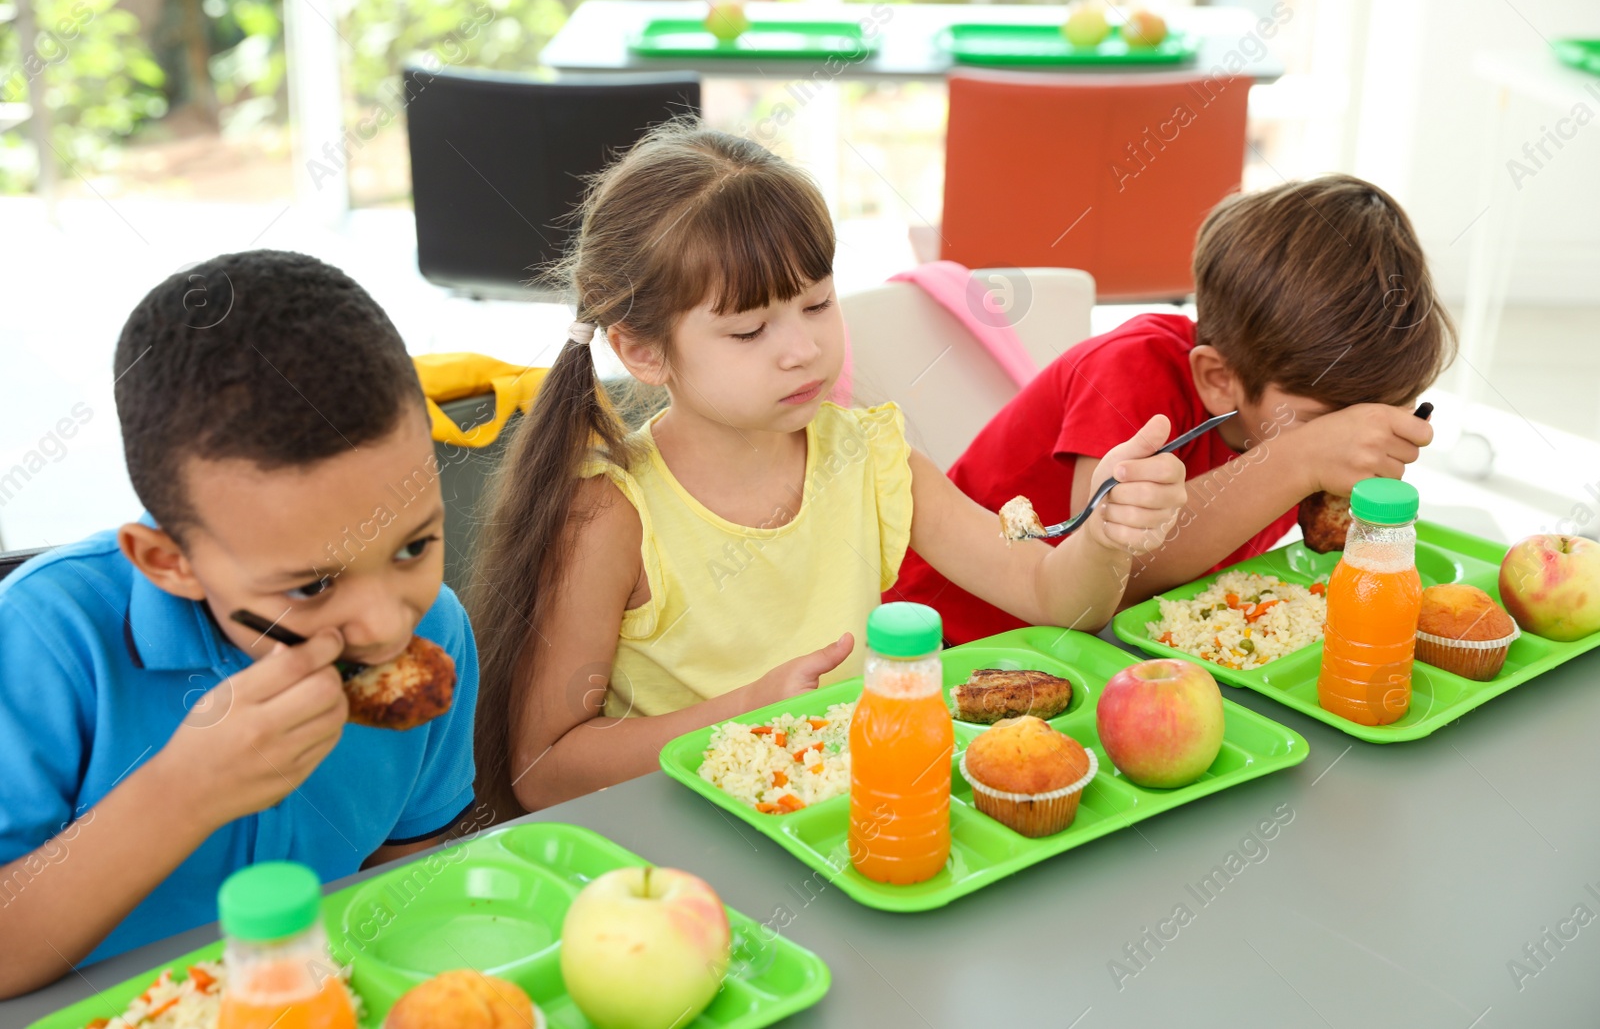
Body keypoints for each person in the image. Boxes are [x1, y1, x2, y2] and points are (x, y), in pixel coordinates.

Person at [468, 123, 1188, 818]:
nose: (803, 349)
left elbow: (1054, 596)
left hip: (853, 824)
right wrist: (746, 711)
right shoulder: (613, 512)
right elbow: (543, 771)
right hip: (691, 846)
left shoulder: (869, 456)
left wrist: (1106, 532)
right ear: (645, 353)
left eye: (817, 304)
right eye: (750, 330)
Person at [0, 251, 479, 996]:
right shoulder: (44, 644)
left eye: (414, 545)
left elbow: (408, 870)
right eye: (314, 584)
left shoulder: (438, 629)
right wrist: (185, 792)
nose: (387, 626)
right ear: (168, 561)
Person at [893, 174, 1455, 643]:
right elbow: (1113, 575)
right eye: (1324, 426)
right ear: (1218, 379)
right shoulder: (1128, 372)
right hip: (957, 638)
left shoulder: (1294, 410)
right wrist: (1297, 460)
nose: (1345, 443)